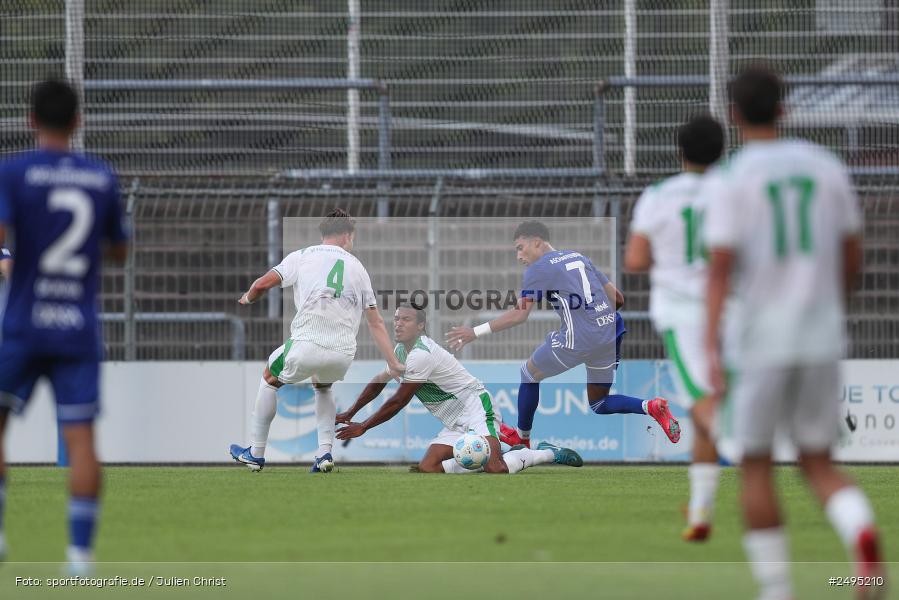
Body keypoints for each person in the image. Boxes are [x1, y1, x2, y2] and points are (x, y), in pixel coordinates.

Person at [705, 66, 885, 600]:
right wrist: (831, 304)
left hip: (760, 336)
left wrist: (711, 345)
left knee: (756, 465)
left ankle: (778, 590)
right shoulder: (826, 167)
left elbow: (719, 268)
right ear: (785, 107)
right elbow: (853, 253)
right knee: (819, 463)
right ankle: (862, 540)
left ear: (734, 114)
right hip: (820, 332)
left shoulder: (732, 179)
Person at [0, 78, 128, 571]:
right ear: (78, 122)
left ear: (31, 120)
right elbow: (118, 250)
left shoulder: (15, 172)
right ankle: (80, 555)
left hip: (24, 323)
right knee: (81, 441)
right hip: (76, 327)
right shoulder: (100, 176)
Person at [445, 221, 680, 448]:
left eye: (520, 248)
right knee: (599, 402)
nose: (518, 256)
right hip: (610, 331)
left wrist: (474, 331)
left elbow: (519, 315)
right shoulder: (579, 257)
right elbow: (618, 298)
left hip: (580, 338)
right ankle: (652, 406)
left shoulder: (539, 269)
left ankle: (522, 439)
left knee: (528, 373)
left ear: (536, 242)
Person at [229, 209, 404, 473]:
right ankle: (324, 453)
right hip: (342, 354)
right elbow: (375, 322)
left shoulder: (302, 256)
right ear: (347, 235)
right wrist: (393, 363)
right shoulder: (358, 268)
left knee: (269, 377)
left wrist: (248, 297)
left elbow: (263, 284)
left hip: (307, 344)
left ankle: (256, 451)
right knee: (322, 386)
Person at [624, 114, 725, 542]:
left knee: (704, 405)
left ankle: (751, 442)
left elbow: (636, 260)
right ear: (722, 152)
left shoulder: (659, 195)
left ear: (680, 152)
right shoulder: (733, 193)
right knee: (708, 408)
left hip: (684, 313)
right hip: (731, 307)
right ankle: (701, 512)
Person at [336, 304, 583, 473]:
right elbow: (379, 381)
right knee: (428, 468)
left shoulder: (422, 354)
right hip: (455, 421)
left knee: (496, 469)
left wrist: (364, 426)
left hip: (476, 407)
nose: (398, 324)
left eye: (406, 319)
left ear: (421, 325)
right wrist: (351, 412)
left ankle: (545, 453)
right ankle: (500, 451)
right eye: (397, 318)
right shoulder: (401, 352)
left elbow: (398, 401)